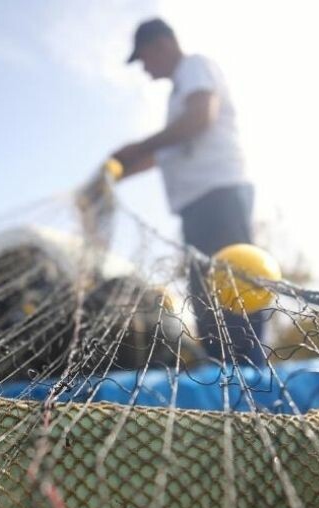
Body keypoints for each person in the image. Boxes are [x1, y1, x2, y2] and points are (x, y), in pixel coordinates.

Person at [110, 19, 265, 366]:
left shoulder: (195, 67)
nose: (145, 69)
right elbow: (163, 153)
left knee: (233, 298)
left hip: (219, 198)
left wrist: (137, 146)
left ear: (162, 44)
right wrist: (119, 172)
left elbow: (199, 119)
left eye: (144, 58)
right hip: (198, 209)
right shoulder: (177, 92)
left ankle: (252, 387)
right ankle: (225, 382)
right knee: (206, 302)